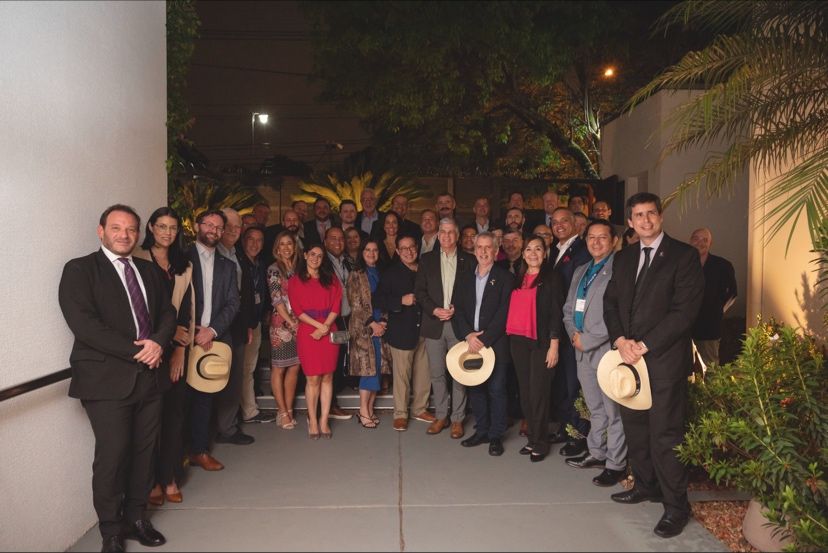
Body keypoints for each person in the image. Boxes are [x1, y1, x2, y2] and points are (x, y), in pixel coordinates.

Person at [59, 204, 176, 552]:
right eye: (116, 228)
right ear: (101, 231)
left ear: (139, 234)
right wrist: (137, 349)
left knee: (144, 452)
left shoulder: (148, 271)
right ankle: (111, 530)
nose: (124, 235)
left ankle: (137, 518)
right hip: (106, 380)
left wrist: (158, 342)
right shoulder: (80, 270)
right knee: (112, 456)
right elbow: (83, 324)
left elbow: (168, 313)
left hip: (150, 378)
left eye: (131, 229)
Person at [603, 192, 704, 538]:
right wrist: (619, 341)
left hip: (662, 361)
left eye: (651, 214)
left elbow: (684, 312)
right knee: (636, 429)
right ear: (629, 222)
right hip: (628, 361)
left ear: (660, 217)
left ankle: (676, 507)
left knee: (665, 434)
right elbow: (611, 303)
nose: (645, 220)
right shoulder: (625, 257)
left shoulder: (684, 256)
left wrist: (644, 345)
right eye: (638, 215)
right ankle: (645, 485)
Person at [134, 207, 194, 507]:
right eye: (162, 226)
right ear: (151, 228)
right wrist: (165, 338)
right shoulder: (138, 259)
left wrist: (181, 348)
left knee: (174, 416)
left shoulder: (184, 265)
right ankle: (150, 482)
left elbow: (187, 308)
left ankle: (169, 478)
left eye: (173, 227)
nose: (167, 233)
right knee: (148, 422)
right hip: (147, 346)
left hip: (177, 348)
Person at [562, 219, 627, 487]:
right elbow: (568, 309)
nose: (596, 242)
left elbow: (619, 313)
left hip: (605, 350)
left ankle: (616, 463)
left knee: (613, 411)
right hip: (580, 348)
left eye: (602, 237)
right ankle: (597, 452)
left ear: (613, 241)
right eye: (591, 237)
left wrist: (588, 339)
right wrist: (574, 336)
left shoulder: (619, 269)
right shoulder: (581, 270)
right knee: (595, 407)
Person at [186, 209, 240, 472]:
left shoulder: (228, 266)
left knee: (204, 398)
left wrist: (212, 330)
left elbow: (233, 303)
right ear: (198, 225)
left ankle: (199, 450)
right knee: (177, 401)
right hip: (181, 339)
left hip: (212, 340)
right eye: (210, 225)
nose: (214, 231)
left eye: (219, 228)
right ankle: (176, 456)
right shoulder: (181, 258)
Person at [451, 232, 514, 456]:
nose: (484, 251)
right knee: (476, 388)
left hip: (495, 343)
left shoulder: (505, 277)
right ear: (474, 249)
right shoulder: (465, 277)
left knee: (497, 389)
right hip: (471, 343)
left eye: (488, 247)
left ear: (496, 251)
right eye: (480, 247)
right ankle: (482, 430)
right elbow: (457, 311)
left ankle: (496, 435)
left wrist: (484, 339)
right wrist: (468, 335)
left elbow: (505, 313)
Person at [505, 234, 565, 462]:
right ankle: (532, 438)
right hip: (518, 342)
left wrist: (554, 344)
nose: (533, 253)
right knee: (526, 393)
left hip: (541, 342)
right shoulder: (517, 278)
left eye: (538, 249)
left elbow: (555, 314)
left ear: (545, 252)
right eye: (528, 249)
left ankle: (541, 442)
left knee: (539, 393)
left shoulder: (552, 278)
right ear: (522, 253)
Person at [414, 217, 475, 438]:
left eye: (451, 232)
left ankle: (458, 419)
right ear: (438, 235)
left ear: (457, 236)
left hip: (459, 325)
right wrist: (434, 310)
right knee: (437, 373)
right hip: (434, 325)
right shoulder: (427, 260)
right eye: (443, 232)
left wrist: (456, 308)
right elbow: (420, 292)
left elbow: (474, 293)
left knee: (459, 373)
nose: (447, 236)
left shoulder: (469, 260)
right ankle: (442, 415)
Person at [374, 235, 433, 431]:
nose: (408, 251)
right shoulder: (391, 274)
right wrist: (400, 300)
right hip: (401, 331)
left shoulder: (426, 270)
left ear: (417, 248)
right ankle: (400, 414)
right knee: (402, 376)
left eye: (411, 247)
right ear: (397, 251)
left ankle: (420, 408)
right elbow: (378, 300)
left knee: (424, 373)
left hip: (426, 329)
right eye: (403, 248)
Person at [288, 244, 343, 439]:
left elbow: (336, 305)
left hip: (328, 330)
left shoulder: (332, 280)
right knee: (312, 378)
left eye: (319, 256)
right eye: (312, 254)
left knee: (328, 377)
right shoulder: (295, 281)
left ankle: (324, 420)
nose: (315, 258)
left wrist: (325, 327)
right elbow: (297, 309)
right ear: (305, 255)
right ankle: (312, 419)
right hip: (308, 332)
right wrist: (318, 327)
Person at [549, 207, 592, 456]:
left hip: (573, 328)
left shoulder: (583, 252)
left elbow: (581, 292)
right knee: (564, 383)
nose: (559, 226)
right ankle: (566, 429)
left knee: (576, 384)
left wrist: (576, 328)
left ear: (576, 224)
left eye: (564, 221)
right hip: (559, 327)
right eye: (555, 222)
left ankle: (579, 435)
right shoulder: (556, 250)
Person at [214, 208, 256, 446]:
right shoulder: (208, 254)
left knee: (233, 379)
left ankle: (227, 428)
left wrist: (249, 324)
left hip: (237, 326)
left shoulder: (238, 254)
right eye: (227, 225)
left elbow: (246, 291)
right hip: (213, 327)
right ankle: (214, 428)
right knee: (212, 376)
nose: (232, 230)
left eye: (237, 227)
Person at [346, 240, 392, 428]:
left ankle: (369, 409)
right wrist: (372, 324)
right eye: (367, 250)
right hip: (364, 328)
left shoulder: (381, 273)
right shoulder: (356, 275)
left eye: (375, 250)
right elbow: (355, 304)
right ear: (361, 252)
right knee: (367, 370)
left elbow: (387, 299)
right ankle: (363, 410)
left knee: (378, 370)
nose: (371, 253)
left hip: (380, 326)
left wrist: (383, 322)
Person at [237, 225, 275, 425]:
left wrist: (266, 311)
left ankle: (248, 410)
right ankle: (248, 411)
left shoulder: (260, 264)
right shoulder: (238, 263)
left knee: (248, 368)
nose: (254, 244)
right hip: (244, 325)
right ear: (243, 241)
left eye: (259, 240)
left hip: (256, 322)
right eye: (250, 239)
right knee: (244, 368)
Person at [267, 230, 301, 430]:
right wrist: (291, 322)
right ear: (277, 248)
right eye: (282, 244)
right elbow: (277, 299)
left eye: (290, 243)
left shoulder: (298, 269)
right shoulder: (273, 269)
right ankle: (282, 412)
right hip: (281, 324)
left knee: (295, 366)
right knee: (279, 367)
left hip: (300, 322)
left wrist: (299, 322)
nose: (286, 247)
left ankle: (288, 408)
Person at [689, 227, 737, 367]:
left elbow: (732, 294)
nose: (700, 242)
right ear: (690, 240)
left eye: (705, 240)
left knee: (710, 367)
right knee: (684, 368)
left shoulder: (723, 266)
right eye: (696, 238)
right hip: (683, 327)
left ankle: (710, 390)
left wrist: (717, 312)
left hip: (709, 327)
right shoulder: (680, 264)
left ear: (711, 243)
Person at [324, 226, 356, 420]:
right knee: (330, 362)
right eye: (333, 239)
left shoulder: (349, 262)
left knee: (341, 356)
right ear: (325, 241)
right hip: (329, 320)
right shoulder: (321, 262)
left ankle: (333, 397)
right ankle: (330, 405)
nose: (338, 242)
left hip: (346, 319)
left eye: (341, 239)